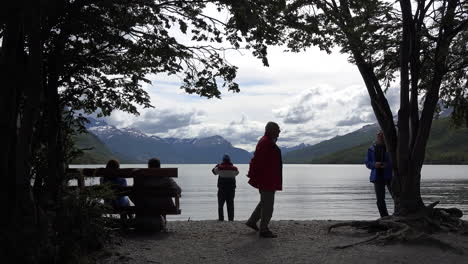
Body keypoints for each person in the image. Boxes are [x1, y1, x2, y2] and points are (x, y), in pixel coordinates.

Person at [245, 121, 283, 238]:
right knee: (268, 205)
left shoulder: (266, 141)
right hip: (267, 179)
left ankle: (252, 221)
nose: (279, 132)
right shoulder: (266, 143)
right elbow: (260, 162)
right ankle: (264, 229)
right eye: (277, 130)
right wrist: (258, 176)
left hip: (268, 178)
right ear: (271, 130)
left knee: (264, 202)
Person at [133, 158, 182, 231]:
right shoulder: (166, 178)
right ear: (159, 167)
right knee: (163, 199)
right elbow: (178, 190)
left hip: (147, 205)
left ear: (148, 167)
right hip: (165, 205)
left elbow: (134, 190)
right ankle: (163, 222)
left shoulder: (143, 179)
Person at [365, 130, 393, 217]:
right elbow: (367, 162)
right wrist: (374, 164)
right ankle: (384, 217)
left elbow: (397, 161)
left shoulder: (392, 147)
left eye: (382, 135)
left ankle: (398, 214)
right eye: (379, 135)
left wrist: (387, 165)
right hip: (377, 176)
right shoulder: (371, 149)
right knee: (380, 199)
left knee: (396, 197)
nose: (380, 136)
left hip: (390, 175)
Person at [212, 154, 239, 221]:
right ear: (229, 160)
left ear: (223, 160)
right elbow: (237, 173)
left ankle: (221, 219)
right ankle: (231, 219)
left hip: (222, 189)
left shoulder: (220, 168)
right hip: (231, 189)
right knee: (230, 205)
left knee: (220, 205)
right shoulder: (234, 168)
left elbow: (214, 172)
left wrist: (216, 166)